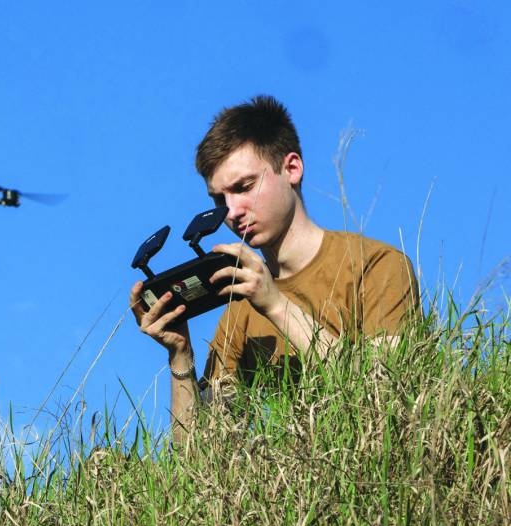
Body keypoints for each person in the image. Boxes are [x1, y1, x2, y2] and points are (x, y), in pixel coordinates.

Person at [130, 95, 420, 439]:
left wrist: (276, 305)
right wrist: (180, 355)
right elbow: (198, 455)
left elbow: (385, 397)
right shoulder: (239, 309)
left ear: (292, 169)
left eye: (244, 187)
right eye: (219, 199)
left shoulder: (377, 265)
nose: (232, 211)